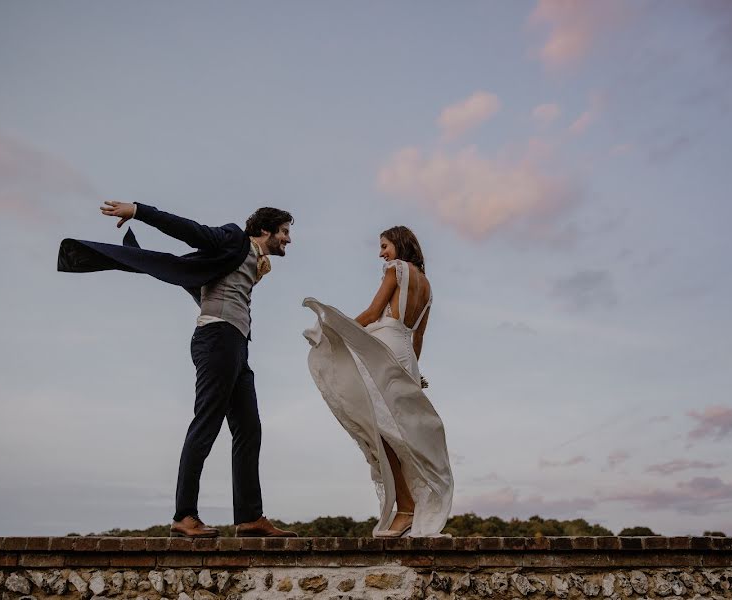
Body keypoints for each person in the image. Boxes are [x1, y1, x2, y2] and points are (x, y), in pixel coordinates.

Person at [57, 200, 297, 538]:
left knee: (249, 428)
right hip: (217, 339)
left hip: (237, 345)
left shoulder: (254, 261)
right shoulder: (233, 239)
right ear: (265, 230)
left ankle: (249, 518)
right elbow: (188, 230)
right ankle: (184, 515)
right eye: (285, 232)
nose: (288, 239)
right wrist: (139, 210)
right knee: (207, 423)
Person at [303, 226, 453, 537]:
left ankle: (407, 508)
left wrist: (333, 331)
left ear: (398, 244)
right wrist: (412, 371)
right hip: (405, 355)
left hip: (383, 348)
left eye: (384, 245)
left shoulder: (395, 270)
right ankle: (409, 506)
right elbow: (419, 335)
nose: (381, 253)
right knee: (399, 432)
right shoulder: (427, 287)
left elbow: (373, 313)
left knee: (381, 429)